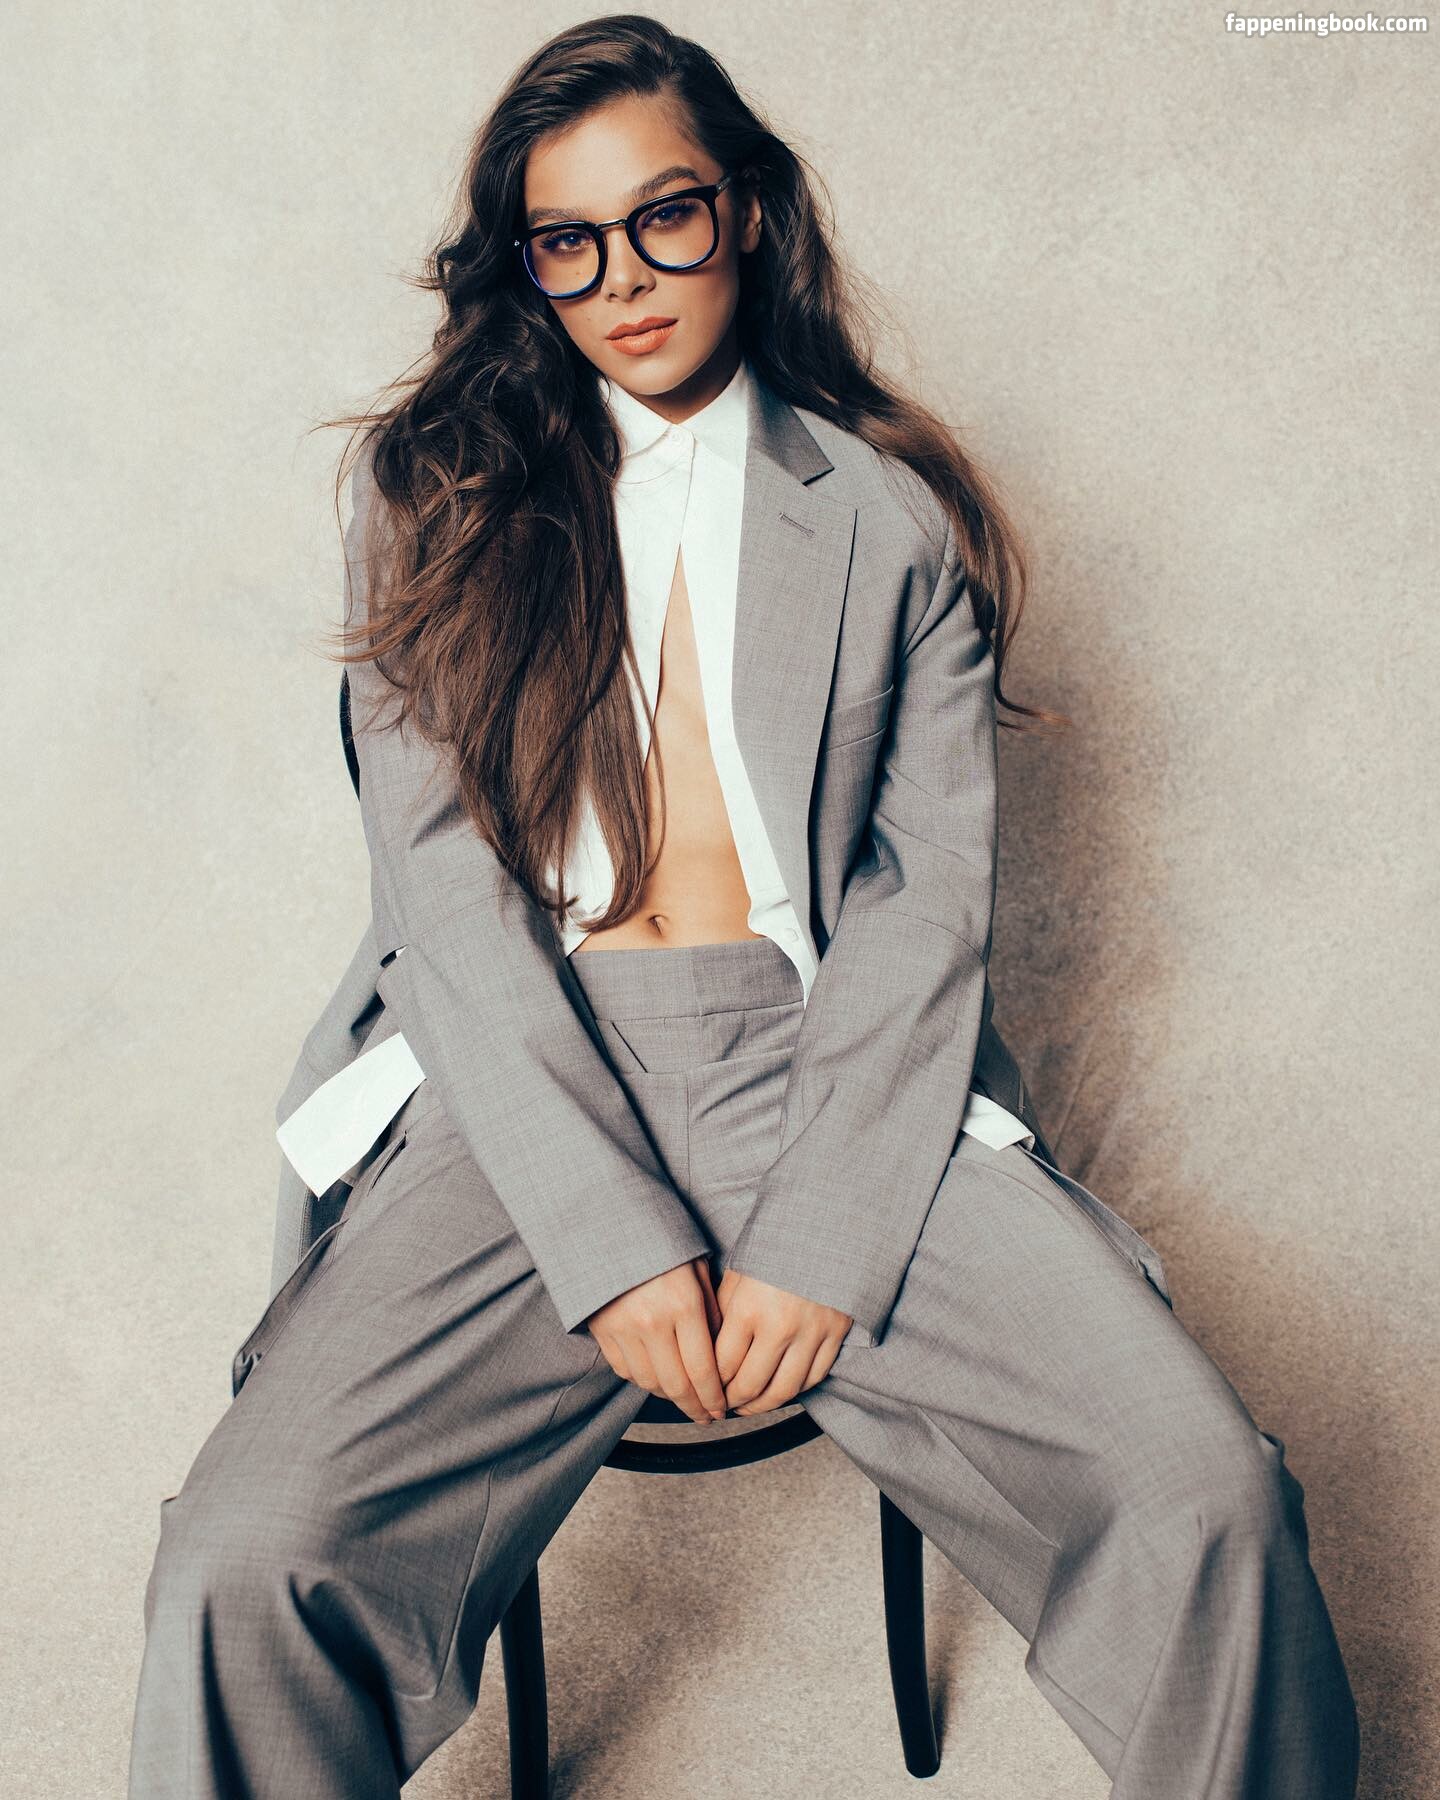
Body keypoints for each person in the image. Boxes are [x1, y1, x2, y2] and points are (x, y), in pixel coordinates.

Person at [128, 16, 1360, 1798]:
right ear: (525, 267)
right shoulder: (436, 506)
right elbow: (445, 909)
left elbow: (927, 910)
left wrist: (826, 1235)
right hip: (523, 1078)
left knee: (1210, 1499)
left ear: (749, 214)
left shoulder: (894, 518)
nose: (624, 278)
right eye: (569, 241)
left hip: (838, 1062)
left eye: (667, 217)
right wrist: (613, 1243)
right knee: (243, 1558)